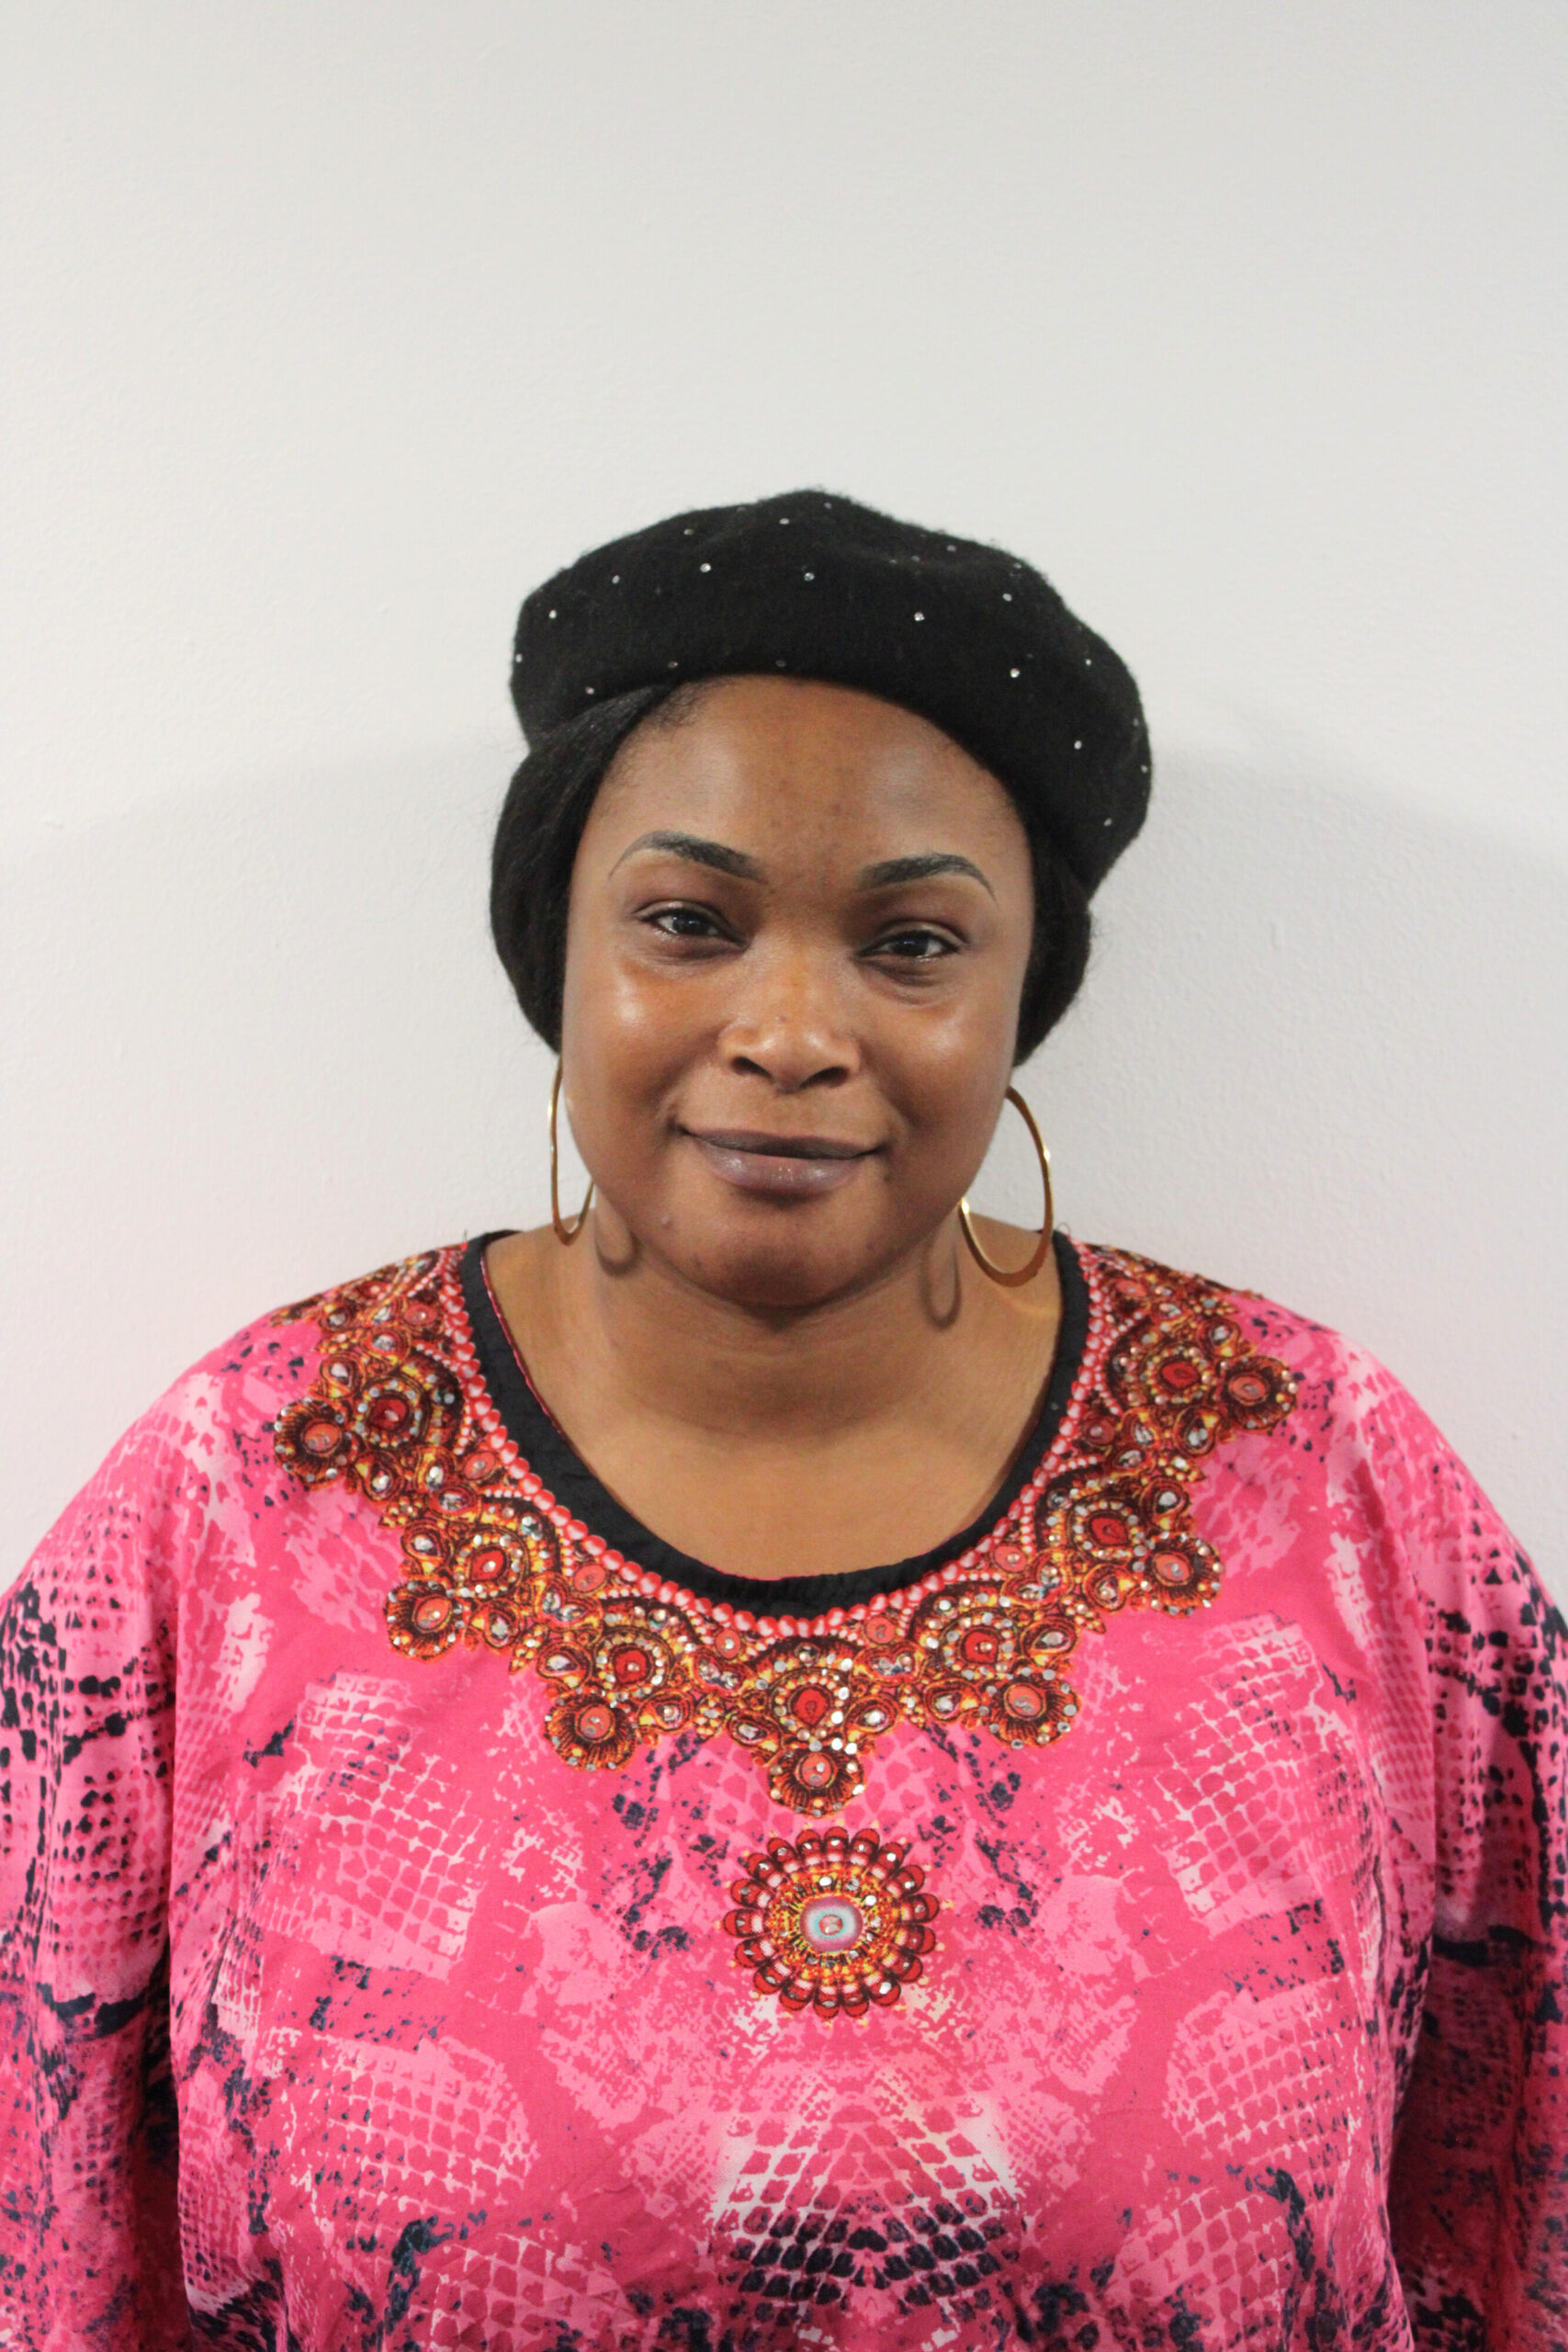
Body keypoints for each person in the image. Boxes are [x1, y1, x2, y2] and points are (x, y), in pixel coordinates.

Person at [1, 492, 1562, 2351]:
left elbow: (1518, 2181)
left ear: (1018, 999)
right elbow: (48, 2208)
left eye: (909, 944)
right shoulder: (255, 1486)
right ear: (553, 954)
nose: (793, 1026)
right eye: (687, 920)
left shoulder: (1309, 1478)